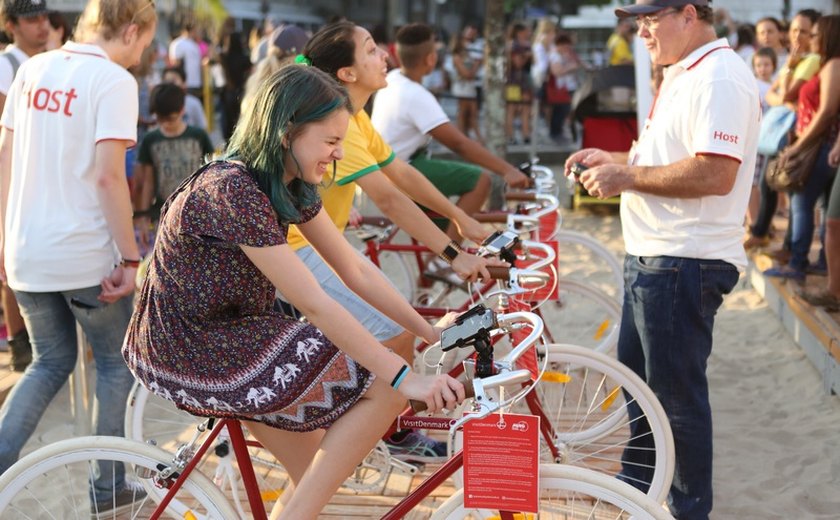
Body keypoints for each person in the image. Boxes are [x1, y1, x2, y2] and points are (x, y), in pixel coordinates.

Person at [123, 64, 465, 519]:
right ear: (286, 133)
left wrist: (429, 333)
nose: (339, 154)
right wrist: (405, 378)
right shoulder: (232, 189)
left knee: (318, 470)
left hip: (234, 331)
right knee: (383, 388)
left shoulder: (291, 184)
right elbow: (313, 302)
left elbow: (353, 270)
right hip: (188, 344)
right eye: (330, 141)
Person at [565, 1, 760, 518]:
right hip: (660, 255)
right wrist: (619, 160)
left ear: (689, 14)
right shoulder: (688, 70)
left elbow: (715, 173)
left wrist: (625, 178)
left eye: (650, 18)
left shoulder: (719, 75)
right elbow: (677, 156)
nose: (640, 29)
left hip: (683, 259)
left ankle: (685, 509)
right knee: (641, 391)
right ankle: (637, 488)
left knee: (674, 402)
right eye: (637, 19)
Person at [287, 21, 501, 462]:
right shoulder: (334, 117)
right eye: (370, 50)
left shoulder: (357, 114)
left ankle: (383, 419)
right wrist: (451, 252)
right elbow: (386, 195)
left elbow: (399, 172)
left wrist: (461, 220)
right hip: (293, 248)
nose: (385, 55)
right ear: (346, 72)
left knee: (397, 325)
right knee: (393, 333)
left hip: (323, 241)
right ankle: (386, 427)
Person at [0, 0, 156, 505]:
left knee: (48, 363)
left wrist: (4, 237)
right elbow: (111, 176)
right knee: (116, 365)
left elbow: (4, 158)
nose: (144, 53)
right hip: (84, 252)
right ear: (131, 30)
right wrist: (131, 259)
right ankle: (107, 487)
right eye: (146, 42)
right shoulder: (112, 81)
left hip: (27, 248)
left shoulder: (31, 69)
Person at [371, 23, 529, 259]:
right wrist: (507, 170)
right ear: (431, 59)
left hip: (390, 167)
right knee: (479, 181)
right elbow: (459, 144)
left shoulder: (393, 79)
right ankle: (449, 257)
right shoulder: (416, 95)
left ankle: (437, 255)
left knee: (447, 210)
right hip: (402, 169)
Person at [764, 15, 840, 283]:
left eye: (815, 34)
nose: (811, 38)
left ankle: (797, 263)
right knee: (816, 207)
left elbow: (827, 112)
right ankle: (817, 263)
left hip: (820, 146)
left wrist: (799, 147)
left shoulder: (832, 65)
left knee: (801, 203)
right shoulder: (824, 65)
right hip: (822, 145)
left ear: (829, 37)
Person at [0, 0, 49, 372]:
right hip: (13, 176)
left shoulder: (46, 61)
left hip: (38, 177)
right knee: (10, 262)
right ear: (11, 23)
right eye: (32, 19)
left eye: (44, 17)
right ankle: (20, 343)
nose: (42, 25)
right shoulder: (6, 64)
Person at [133, 82, 214, 252]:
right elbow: (147, 181)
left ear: (182, 110)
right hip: (163, 211)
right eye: (161, 120)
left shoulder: (198, 136)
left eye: (171, 118)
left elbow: (211, 173)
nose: (167, 124)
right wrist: (143, 215)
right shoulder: (151, 139)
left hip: (196, 211)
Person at [448, 29, 482, 142]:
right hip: (462, 87)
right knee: (464, 112)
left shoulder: (468, 54)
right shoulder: (457, 57)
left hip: (470, 86)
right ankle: (464, 136)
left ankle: (470, 135)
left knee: (472, 112)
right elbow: (466, 74)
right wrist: (476, 65)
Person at [161, 65, 207, 130]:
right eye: (166, 81)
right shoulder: (160, 103)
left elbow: (202, 127)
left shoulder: (193, 103)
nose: (170, 84)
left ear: (184, 83)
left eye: (173, 81)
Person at [168, 21, 202, 100]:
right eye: (196, 30)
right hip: (185, 85)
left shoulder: (194, 44)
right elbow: (175, 64)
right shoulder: (178, 43)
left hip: (196, 84)